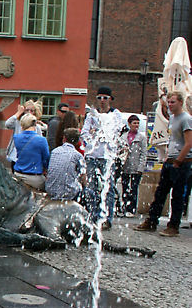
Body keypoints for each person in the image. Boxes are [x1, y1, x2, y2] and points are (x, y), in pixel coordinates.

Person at [134, 91, 192, 237]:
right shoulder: (172, 118)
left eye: (172, 102)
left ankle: (173, 226)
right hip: (170, 160)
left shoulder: (186, 119)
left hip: (181, 162)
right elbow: (172, 139)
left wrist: (179, 160)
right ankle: (152, 220)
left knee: (177, 195)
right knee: (160, 193)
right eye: (169, 102)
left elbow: (189, 142)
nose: (170, 105)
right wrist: (167, 157)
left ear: (180, 102)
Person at [82, 86, 121, 229]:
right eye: (99, 98)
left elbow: (115, 132)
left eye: (105, 98)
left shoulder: (115, 115)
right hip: (92, 154)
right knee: (91, 188)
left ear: (110, 99)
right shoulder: (92, 115)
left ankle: (106, 218)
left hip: (107, 156)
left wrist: (97, 132)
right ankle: (92, 216)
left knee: (108, 187)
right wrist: (93, 138)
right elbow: (85, 133)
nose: (102, 101)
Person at [45, 128, 86, 201]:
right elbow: (83, 176)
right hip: (68, 193)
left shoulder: (55, 151)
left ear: (64, 138)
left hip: (50, 190)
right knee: (90, 193)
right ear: (77, 141)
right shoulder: (77, 155)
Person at [12, 113, 50, 191]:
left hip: (18, 175)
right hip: (35, 178)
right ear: (35, 124)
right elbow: (46, 159)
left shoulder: (16, 138)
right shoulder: (41, 140)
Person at [119, 115, 147, 216]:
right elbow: (119, 150)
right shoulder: (123, 136)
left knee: (134, 188)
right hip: (125, 166)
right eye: (134, 123)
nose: (136, 125)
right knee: (125, 187)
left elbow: (144, 153)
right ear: (129, 124)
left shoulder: (142, 138)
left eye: (138, 123)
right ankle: (125, 207)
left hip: (136, 167)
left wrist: (141, 167)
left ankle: (131, 209)